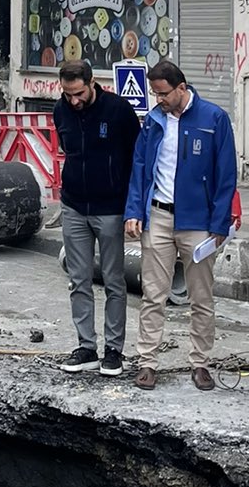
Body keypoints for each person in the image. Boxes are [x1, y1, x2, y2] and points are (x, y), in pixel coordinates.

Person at [124, 62, 237, 392]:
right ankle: (147, 362)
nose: (159, 99)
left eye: (163, 93)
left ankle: (200, 362)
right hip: (158, 216)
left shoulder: (213, 118)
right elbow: (140, 167)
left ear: (182, 88)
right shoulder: (153, 121)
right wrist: (134, 211)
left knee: (200, 297)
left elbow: (226, 174)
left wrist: (219, 223)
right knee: (153, 295)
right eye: (154, 93)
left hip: (199, 222)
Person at [53, 59, 142, 377]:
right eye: (67, 94)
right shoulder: (61, 110)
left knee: (114, 282)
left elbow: (137, 160)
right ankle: (86, 348)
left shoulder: (118, 111)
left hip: (111, 208)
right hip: (74, 206)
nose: (73, 101)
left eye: (78, 93)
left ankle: (114, 351)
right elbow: (67, 148)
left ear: (92, 83)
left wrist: (134, 208)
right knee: (78, 281)